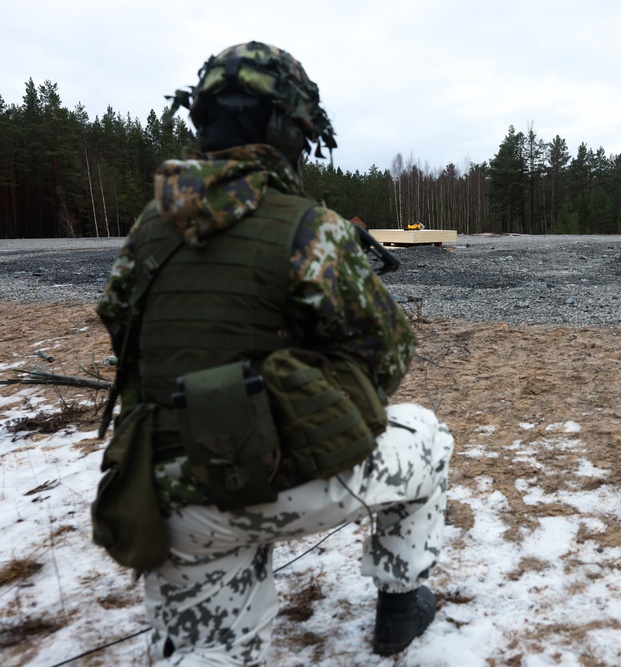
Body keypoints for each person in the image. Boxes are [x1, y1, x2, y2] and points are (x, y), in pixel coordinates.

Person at [95, 41, 453, 664]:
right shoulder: (310, 227)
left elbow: (125, 335)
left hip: (170, 497)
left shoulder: (149, 229)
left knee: (206, 652)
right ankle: (401, 602)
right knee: (427, 433)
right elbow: (390, 357)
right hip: (276, 487)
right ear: (292, 128)